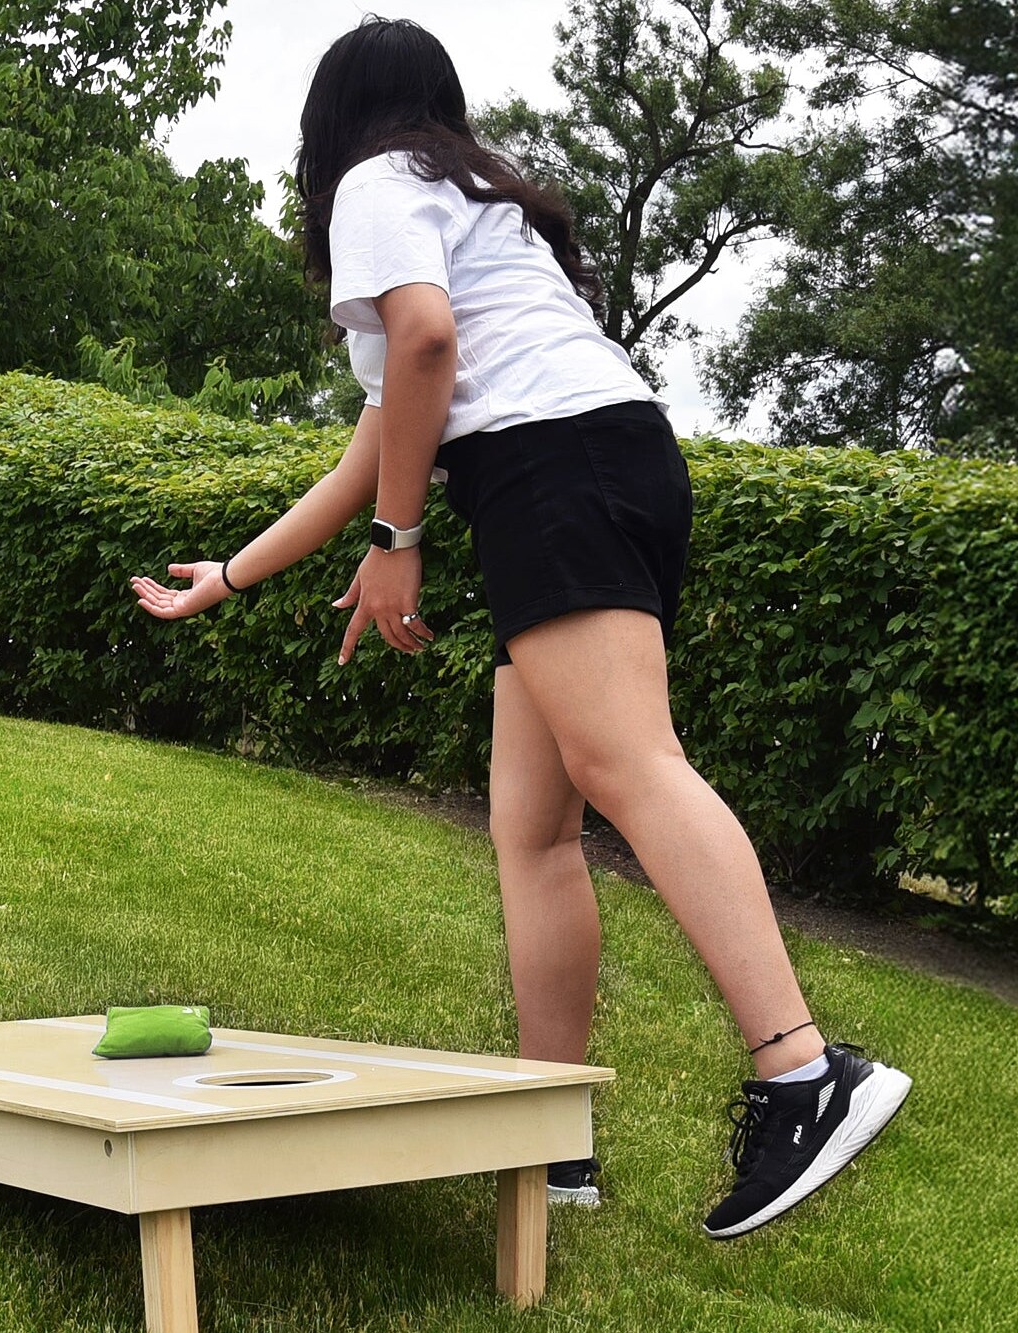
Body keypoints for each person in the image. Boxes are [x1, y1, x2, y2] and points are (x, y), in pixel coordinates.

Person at [129, 17, 907, 1239]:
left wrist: (399, 545)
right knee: (532, 828)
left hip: (551, 473)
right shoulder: (459, 196)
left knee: (626, 763)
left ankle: (803, 1072)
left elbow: (429, 350)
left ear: (329, 124)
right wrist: (225, 575)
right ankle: (557, 1141)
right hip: (599, 462)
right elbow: (376, 444)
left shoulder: (376, 186)